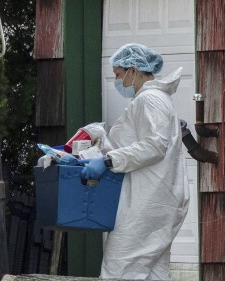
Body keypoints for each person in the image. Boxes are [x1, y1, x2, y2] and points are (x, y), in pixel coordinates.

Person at [80, 43, 190, 280]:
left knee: (118, 269)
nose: (117, 81)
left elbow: (154, 145)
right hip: (158, 200)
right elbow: (136, 145)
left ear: (133, 69)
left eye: (118, 75)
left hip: (147, 202)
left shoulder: (150, 99)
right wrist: (100, 142)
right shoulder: (154, 99)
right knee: (153, 273)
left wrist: (108, 161)